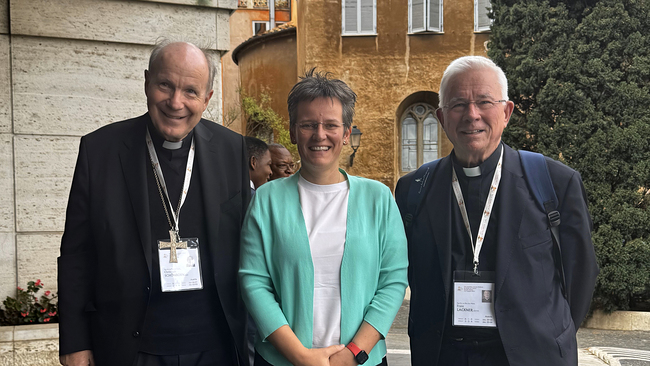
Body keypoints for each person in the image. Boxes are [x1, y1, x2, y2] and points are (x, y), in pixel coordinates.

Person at [396, 56, 599, 366]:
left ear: (506, 112)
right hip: (443, 356)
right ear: (441, 116)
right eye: (458, 104)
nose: (472, 115)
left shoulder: (555, 183)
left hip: (532, 355)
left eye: (484, 102)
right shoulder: (413, 189)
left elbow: (580, 273)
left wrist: (551, 333)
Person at [58, 40, 251, 366]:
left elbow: (248, 249)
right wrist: (75, 342)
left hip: (216, 347)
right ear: (147, 82)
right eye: (165, 85)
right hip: (130, 348)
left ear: (207, 99)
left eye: (191, 91)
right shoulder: (100, 151)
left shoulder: (233, 150)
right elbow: (77, 255)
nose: (176, 102)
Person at [239, 69, 408, 366]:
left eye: (331, 125)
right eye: (308, 125)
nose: (320, 135)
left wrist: (353, 354)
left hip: (361, 361)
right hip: (283, 360)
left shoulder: (378, 199)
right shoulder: (266, 200)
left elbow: (392, 280)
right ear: (292, 131)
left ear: (346, 133)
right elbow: (254, 282)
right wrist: (300, 356)